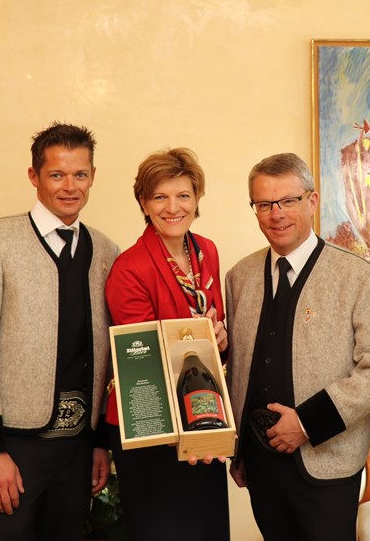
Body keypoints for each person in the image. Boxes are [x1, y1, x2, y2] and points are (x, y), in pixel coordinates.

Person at [0, 123, 119, 540]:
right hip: (14, 445)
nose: (70, 186)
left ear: (93, 176)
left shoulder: (106, 251)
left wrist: (101, 442)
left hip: (79, 447)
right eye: (57, 174)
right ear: (34, 176)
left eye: (80, 174)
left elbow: (107, 356)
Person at [225, 152, 370, 541]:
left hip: (327, 461)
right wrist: (238, 451)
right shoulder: (238, 277)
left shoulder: (359, 277)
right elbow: (239, 366)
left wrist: (306, 423)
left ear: (312, 201)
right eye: (264, 204)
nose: (277, 214)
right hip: (259, 462)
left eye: (288, 201)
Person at [103, 147, 230, 541]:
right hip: (152, 421)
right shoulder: (130, 267)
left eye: (183, 196)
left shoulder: (206, 250)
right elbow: (141, 358)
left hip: (201, 410)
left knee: (207, 527)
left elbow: (214, 330)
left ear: (197, 200)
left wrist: (220, 337)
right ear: (143, 202)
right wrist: (199, 339)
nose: (173, 207)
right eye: (160, 197)